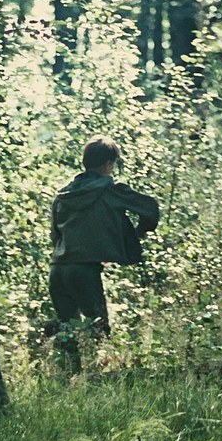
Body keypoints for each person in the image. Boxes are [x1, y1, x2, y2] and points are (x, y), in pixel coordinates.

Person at [48, 135, 159, 342]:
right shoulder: (110, 191)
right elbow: (150, 210)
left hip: (57, 269)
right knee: (98, 330)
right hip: (84, 270)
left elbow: (55, 235)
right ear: (108, 164)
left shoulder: (63, 195)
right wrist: (135, 234)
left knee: (66, 334)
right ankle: (96, 363)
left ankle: (68, 363)